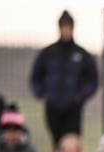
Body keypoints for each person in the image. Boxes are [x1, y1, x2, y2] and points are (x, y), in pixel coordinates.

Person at [30, 10, 99, 145]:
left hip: (73, 109)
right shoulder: (48, 53)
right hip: (52, 108)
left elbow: (93, 80)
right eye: (63, 27)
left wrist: (80, 96)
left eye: (68, 27)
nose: (66, 30)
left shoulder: (82, 54)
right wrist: (42, 94)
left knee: (72, 145)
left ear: (72, 28)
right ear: (59, 28)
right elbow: (35, 77)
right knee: (57, 145)